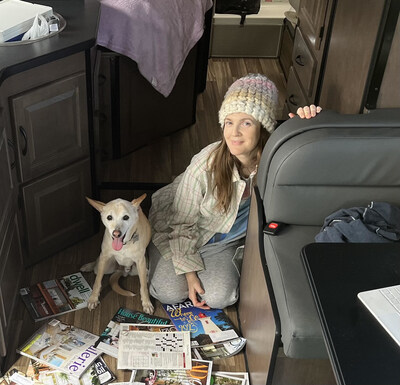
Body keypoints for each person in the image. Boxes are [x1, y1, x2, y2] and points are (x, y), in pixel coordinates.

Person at [148, 73, 320, 310]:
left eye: (246, 122)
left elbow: (309, 167)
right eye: (229, 122)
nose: (235, 133)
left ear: (263, 127)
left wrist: (307, 126)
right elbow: (181, 224)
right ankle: (155, 251)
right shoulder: (204, 164)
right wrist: (189, 275)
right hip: (183, 230)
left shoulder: (276, 160)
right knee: (167, 292)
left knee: (221, 297)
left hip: (225, 240)